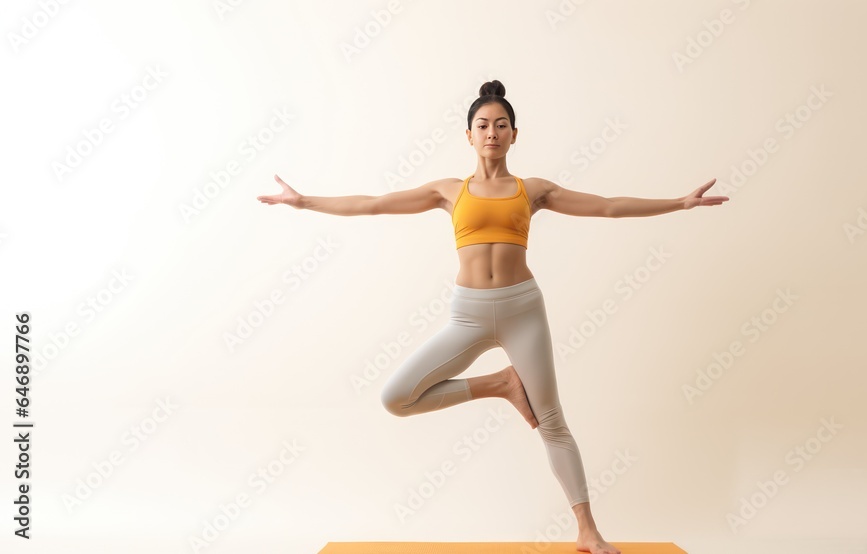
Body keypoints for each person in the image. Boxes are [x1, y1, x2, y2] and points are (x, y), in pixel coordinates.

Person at [257, 79, 728, 554]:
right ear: (468, 135)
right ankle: (499, 385)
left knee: (552, 421)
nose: (492, 133)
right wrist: (304, 201)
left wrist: (680, 203)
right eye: (482, 125)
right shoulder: (448, 190)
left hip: (524, 308)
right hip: (469, 316)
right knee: (396, 397)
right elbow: (374, 205)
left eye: (501, 125)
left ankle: (588, 531)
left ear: (514, 134)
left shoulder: (533, 189)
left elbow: (607, 207)